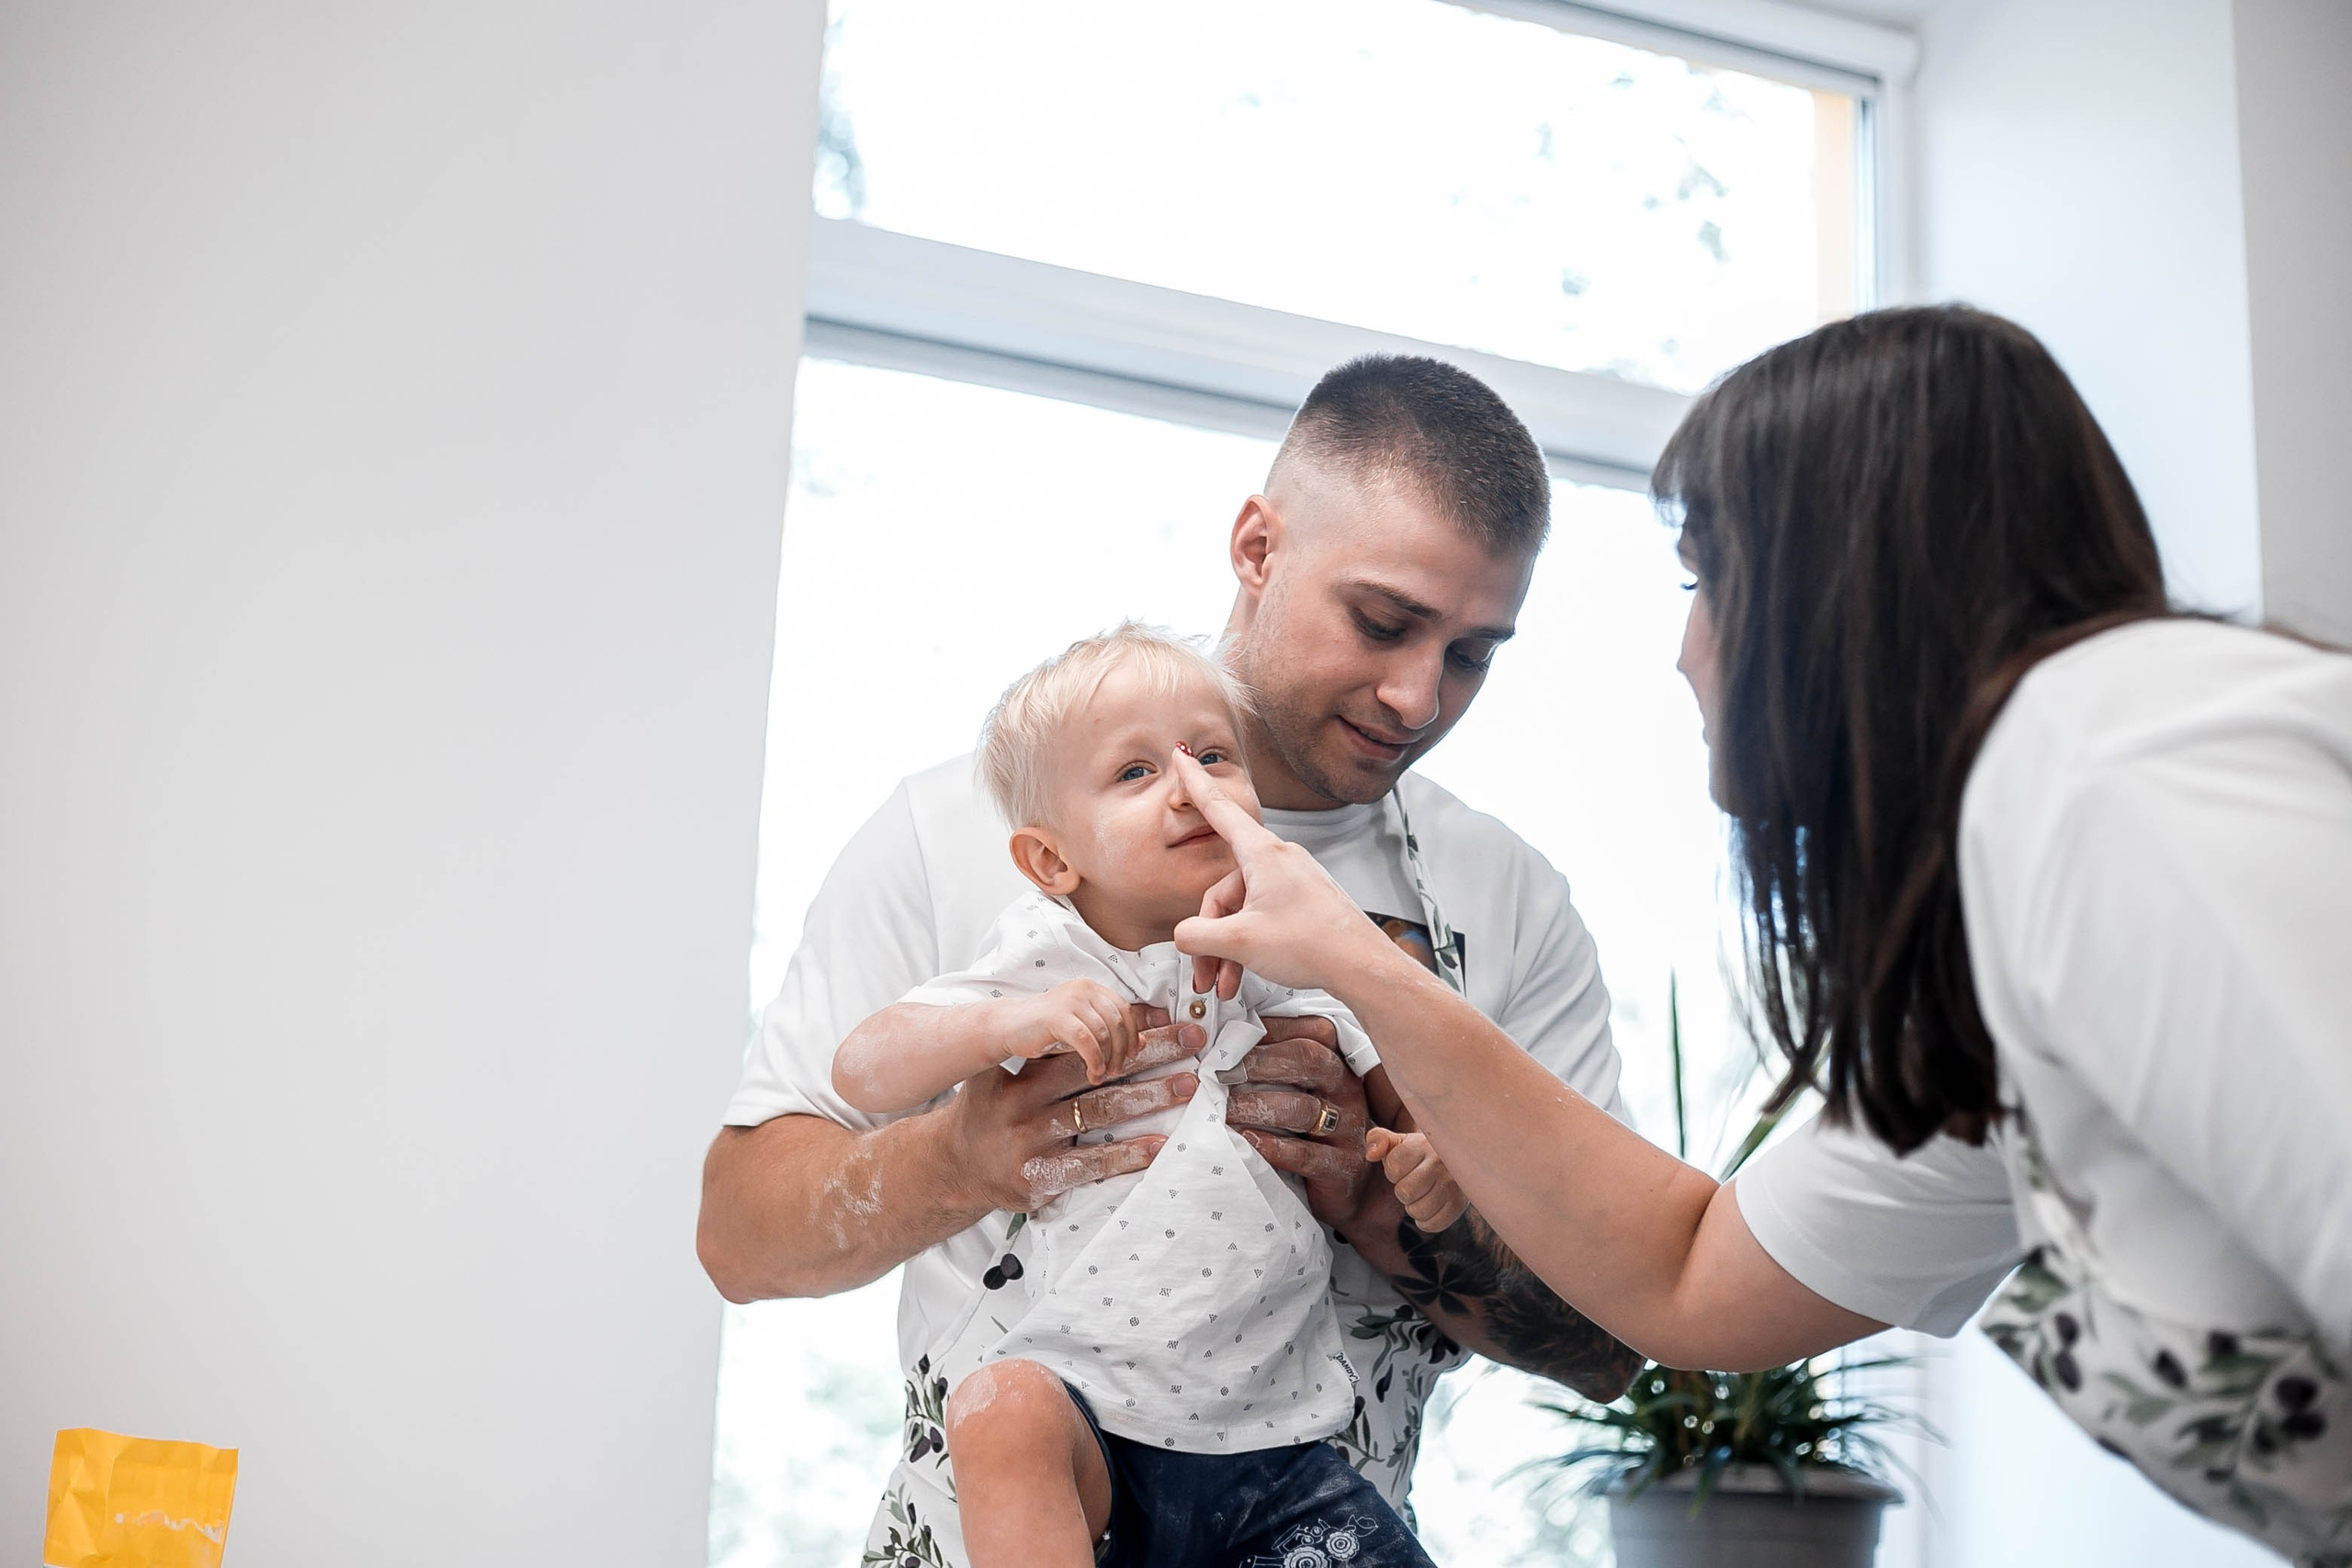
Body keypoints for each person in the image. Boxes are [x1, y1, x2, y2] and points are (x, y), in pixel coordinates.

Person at [1162, 306, 2352, 1566]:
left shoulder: (2118, 769)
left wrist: (1351, 978)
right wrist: (1353, 962)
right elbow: (1694, 1280)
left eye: (1704, 582)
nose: (1685, 650)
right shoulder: (1982, 962)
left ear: (1835, 591)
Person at [696, 353, 1646, 1568]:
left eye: (1473, 654)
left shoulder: (1506, 904)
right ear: (1256, 547)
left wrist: (1371, 1195)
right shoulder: (959, 830)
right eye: (1383, 622)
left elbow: (1612, 1340)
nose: (1418, 695)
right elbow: (741, 1237)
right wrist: (960, 1154)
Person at [833, 625, 1462, 1568]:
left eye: (1213, 757)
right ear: (1051, 862)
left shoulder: (1286, 947)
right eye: (1135, 772)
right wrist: (1004, 1024)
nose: (1189, 787)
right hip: (1094, 1429)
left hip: (1276, 1449)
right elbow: (862, 1068)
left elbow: (1399, 1075)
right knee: (999, 1409)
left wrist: (1424, 1154)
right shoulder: (1045, 956)